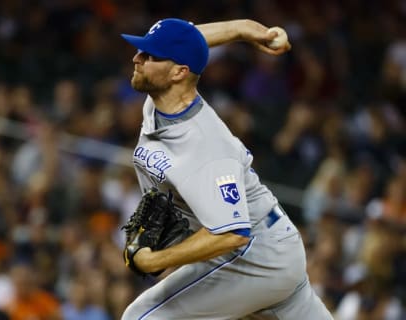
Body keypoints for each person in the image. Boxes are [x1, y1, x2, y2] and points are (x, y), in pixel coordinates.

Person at [119, 18, 334, 319]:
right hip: (273, 250)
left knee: (142, 317)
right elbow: (188, 41)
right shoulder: (163, 96)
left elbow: (232, 233)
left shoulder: (206, 146)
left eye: (149, 56)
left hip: (255, 258)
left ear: (179, 73)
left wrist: (157, 261)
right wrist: (244, 29)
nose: (137, 59)